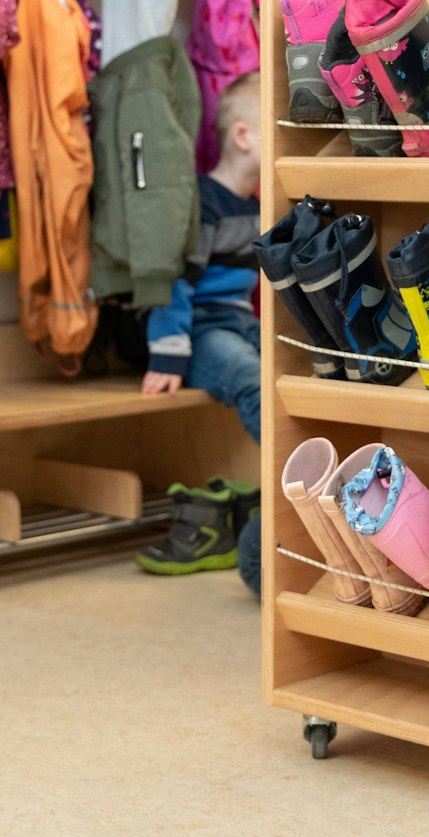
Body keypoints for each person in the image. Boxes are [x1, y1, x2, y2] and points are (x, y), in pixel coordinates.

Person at [134, 73, 265, 589]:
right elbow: (174, 280)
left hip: (239, 320)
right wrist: (167, 355)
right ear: (242, 136)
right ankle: (284, 476)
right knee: (253, 377)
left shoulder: (256, 204)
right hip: (200, 329)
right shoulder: (202, 202)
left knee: (293, 366)